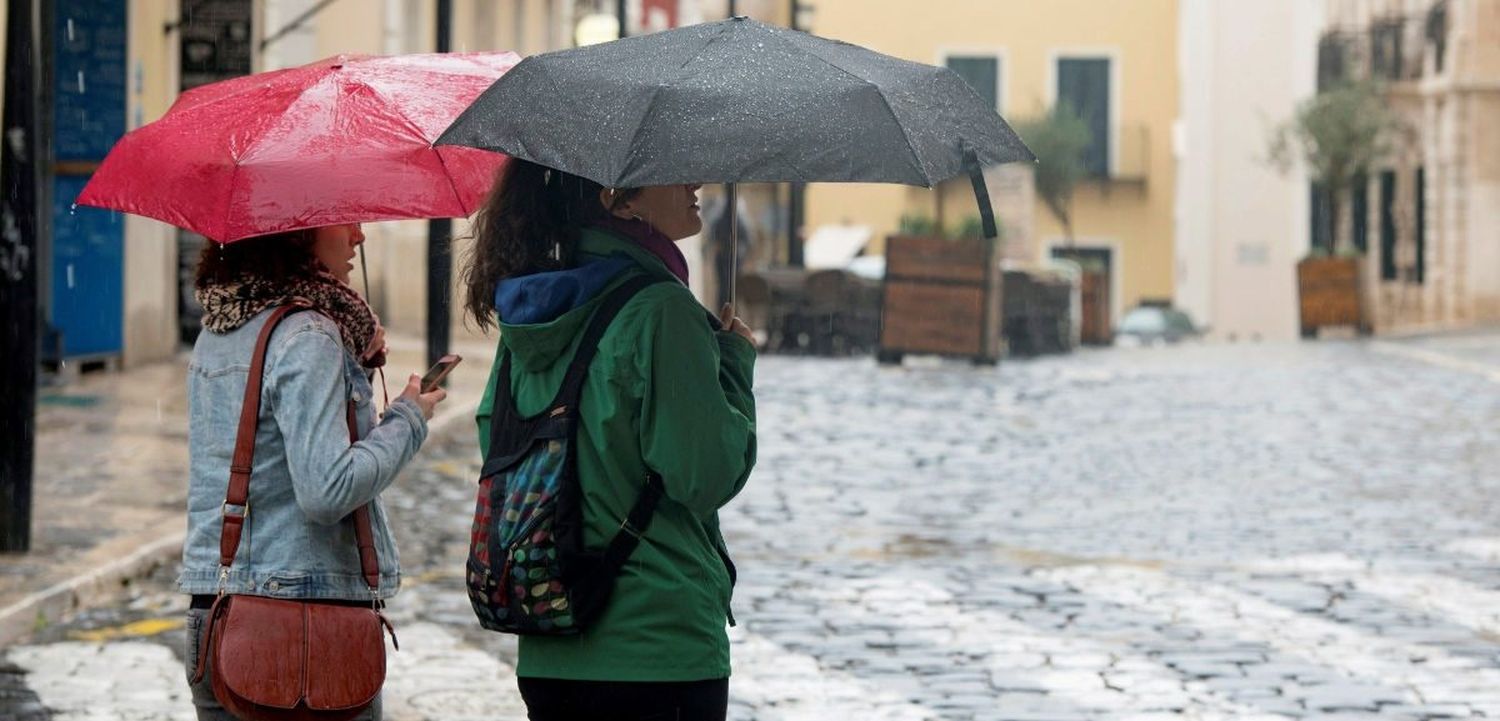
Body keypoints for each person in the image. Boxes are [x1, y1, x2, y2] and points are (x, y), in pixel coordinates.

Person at [462, 159, 757, 721]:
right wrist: (735, 366)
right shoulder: (662, 310)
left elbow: (496, 442)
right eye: (675, 168)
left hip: (551, 645)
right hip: (654, 646)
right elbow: (705, 475)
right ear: (618, 199)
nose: (696, 181)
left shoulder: (535, 311)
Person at [179, 223, 446, 720]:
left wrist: (353, 372)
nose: (359, 238)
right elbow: (327, 490)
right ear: (298, 231)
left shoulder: (220, 331)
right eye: (347, 221)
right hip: (300, 621)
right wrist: (408, 418)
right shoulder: (309, 334)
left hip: (216, 614)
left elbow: (270, 455)